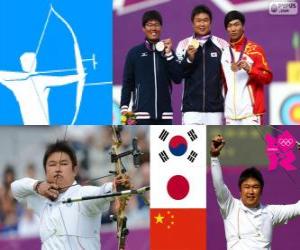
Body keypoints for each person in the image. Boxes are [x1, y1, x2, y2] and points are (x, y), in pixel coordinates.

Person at [11, 141, 129, 249]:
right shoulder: (40, 200)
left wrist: (114, 187)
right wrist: (37, 185)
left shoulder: (83, 194)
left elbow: (101, 192)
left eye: (63, 163)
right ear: (45, 171)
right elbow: (15, 188)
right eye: (52, 164)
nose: (57, 169)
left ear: (75, 170)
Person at [210, 135, 300, 250]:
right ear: (240, 190)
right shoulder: (230, 207)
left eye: (255, 187)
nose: (251, 191)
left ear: (261, 190)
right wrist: (214, 157)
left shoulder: (270, 212)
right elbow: (218, 185)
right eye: (246, 187)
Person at [120, 10, 181, 125]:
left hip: (165, 115)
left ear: (161, 27)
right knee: (144, 143)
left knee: (163, 143)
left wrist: (168, 54)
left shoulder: (168, 52)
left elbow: (177, 78)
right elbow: (128, 82)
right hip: (141, 114)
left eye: (157, 25)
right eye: (149, 25)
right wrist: (124, 108)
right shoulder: (134, 53)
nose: (153, 28)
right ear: (143, 28)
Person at [176, 5, 228, 125]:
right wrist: (189, 59)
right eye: (198, 21)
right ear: (193, 23)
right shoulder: (183, 45)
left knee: (214, 144)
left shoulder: (222, 45)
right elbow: (178, 75)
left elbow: (228, 76)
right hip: (191, 111)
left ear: (210, 23)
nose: (202, 24)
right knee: (191, 143)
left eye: (205, 20)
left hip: (215, 110)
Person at [0, 52, 85, 125]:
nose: (28, 64)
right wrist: (23, 76)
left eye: (30, 61)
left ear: (35, 63)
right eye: (25, 62)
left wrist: (79, 76)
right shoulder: (17, 83)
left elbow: (62, 80)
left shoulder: (40, 79)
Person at [221, 10, 273, 125]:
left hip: (251, 113)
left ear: (243, 27)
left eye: (236, 24)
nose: (233, 29)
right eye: (229, 26)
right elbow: (223, 83)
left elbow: (268, 78)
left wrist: (250, 69)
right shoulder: (224, 52)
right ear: (226, 29)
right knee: (233, 144)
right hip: (230, 114)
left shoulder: (255, 50)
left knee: (252, 144)